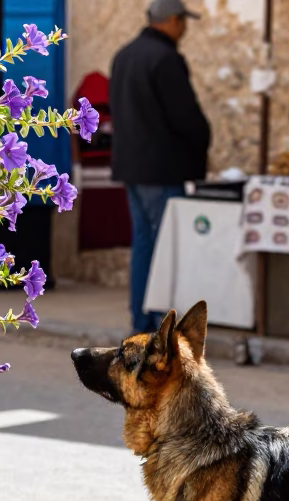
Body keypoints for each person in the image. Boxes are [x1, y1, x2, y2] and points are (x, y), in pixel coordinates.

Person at [110, 0, 211, 335]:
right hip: (162, 168)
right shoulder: (166, 59)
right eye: (182, 22)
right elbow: (186, 117)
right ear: (170, 21)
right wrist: (202, 144)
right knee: (164, 247)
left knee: (145, 243)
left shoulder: (124, 55)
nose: (184, 29)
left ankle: (142, 321)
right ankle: (158, 325)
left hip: (132, 167)